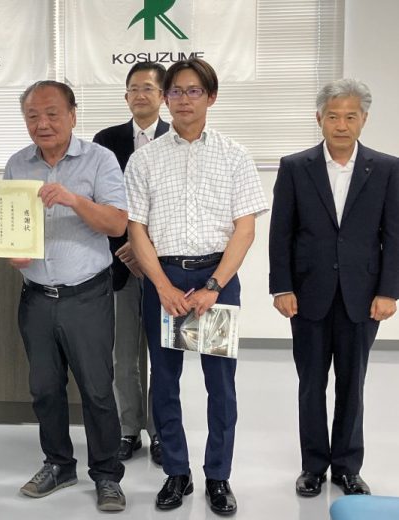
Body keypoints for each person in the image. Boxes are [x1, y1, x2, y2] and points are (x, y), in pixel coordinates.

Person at [125, 58, 268, 515]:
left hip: (216, 280)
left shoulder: (234, 155)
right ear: (165, 99)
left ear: (211, 97)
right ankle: (177, 472)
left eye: (194, 91)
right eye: (176, 92)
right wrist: (162, 285)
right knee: (164, 383)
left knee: (220, 385)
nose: (184, 100)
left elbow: (245, 229)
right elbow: (136, 229)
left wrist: (213, 284)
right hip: (164, 279)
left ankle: (218, 476)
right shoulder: (144, 158)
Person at [269, 78, 399, 498]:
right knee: (311, 384)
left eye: (350, 116)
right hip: (308, 293)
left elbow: (394, 235)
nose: (341, 125)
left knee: (352, 384)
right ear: (319, 118)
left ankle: (346, 467)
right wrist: (281, 287)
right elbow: (281, 233)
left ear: (364, 120)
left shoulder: (387, 168)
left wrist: (389, 291)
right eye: (333, 116)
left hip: (363, 295)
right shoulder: (295, 166)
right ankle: (313, 467)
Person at [5, 80, 128, 512]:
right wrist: (12, 252)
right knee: (44, 389)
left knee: (97, 390)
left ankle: (107, 474)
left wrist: (74, 200)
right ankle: (58, 463)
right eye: (33, 116)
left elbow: (117, 223)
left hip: (86, 296)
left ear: (73, 115)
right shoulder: (17, 164)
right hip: (36, 296)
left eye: (52, 113)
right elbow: (10, 226)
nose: (42, 123)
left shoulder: (100, 159)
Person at [93, 61, 168, 465]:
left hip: (163, 267)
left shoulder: (177, 138)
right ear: (126, 96)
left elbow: (179, 205)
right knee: (123, 356)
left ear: (163, 96)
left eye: (148, 88)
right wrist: (126, 245)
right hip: (119, 265)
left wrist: (146, 247)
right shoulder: (106, 141)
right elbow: (99, 200)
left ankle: (160, 432)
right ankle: (128, 429)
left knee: (162, 355)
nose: (140, 95)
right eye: (134, 88)